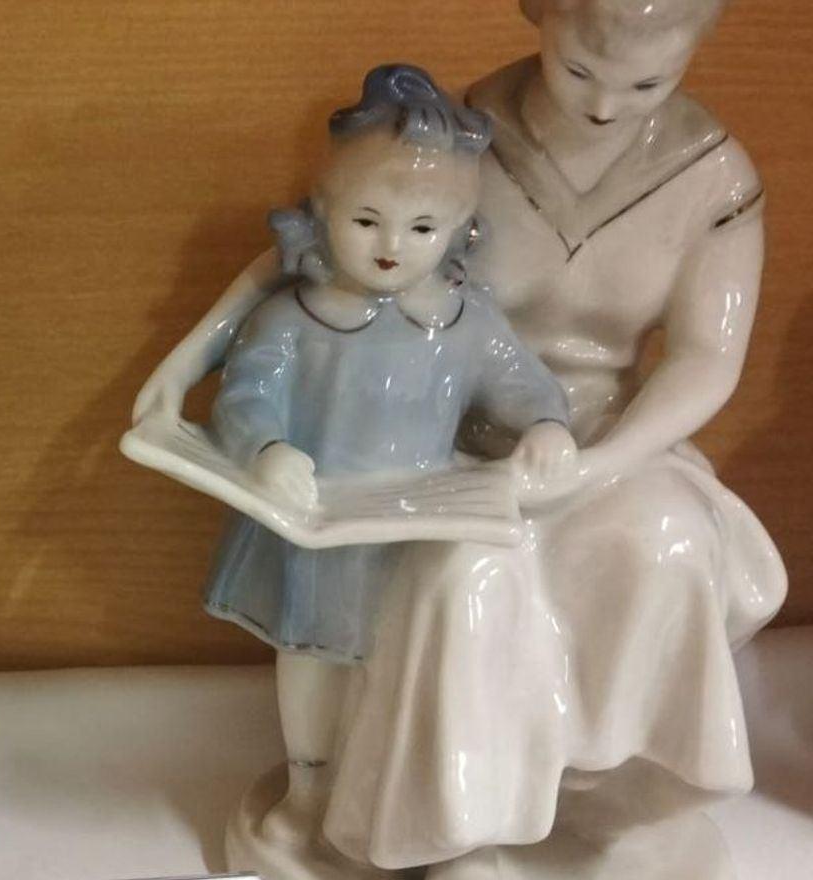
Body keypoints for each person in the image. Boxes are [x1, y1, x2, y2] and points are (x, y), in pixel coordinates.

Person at [133, 2, 784, 877]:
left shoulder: (712, 176)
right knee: (465, 576)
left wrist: (596, 462)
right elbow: (318, 241)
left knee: (663, 537)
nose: (604, 107)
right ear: (539, 15)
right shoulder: (461, 133)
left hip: (600, 433)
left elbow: (707, 358)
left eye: (648, 82)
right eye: (580, 71)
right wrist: (191, 355)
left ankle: (614, 803)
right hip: (444, 437)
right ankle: (454, 829)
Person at [200, 65, 575, 879]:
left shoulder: (464, 322)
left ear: (460, 232)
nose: (390, 246)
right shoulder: (293, 318)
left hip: (421, 531)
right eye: (367, 219)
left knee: (408, 673)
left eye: (422, 227)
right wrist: (268, 450)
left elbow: (521, 382)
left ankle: (400, 804)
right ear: (323, 212)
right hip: (321, 530)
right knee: (313, 668)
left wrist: (547, 424)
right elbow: (245, 397)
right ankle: (309, 794)